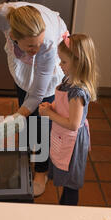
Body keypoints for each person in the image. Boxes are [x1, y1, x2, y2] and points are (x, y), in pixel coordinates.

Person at [0, 2, 68, 197]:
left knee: (40, 120)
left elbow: (38, 92)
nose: (37, 47)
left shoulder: (47, 44)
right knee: (25, 115)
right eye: (32, 45)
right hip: (22, 61)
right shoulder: (3, 14)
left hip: (47, 71)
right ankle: (24, 161)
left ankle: (41, 172)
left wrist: (13, 118)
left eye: (38, 43)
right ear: (13, 37)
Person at [39, 33, 98, 206]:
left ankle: (68, 210)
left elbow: (73, 124)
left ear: (78, 63)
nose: (60, 64)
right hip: (63, 137)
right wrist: (52, 107)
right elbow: (63, 106)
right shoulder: (68, 81)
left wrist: (50, 115)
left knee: (71, 184)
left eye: (64, 62)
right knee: (67, 182)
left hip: (72, 143)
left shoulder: (77, 92)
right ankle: (63, 207)